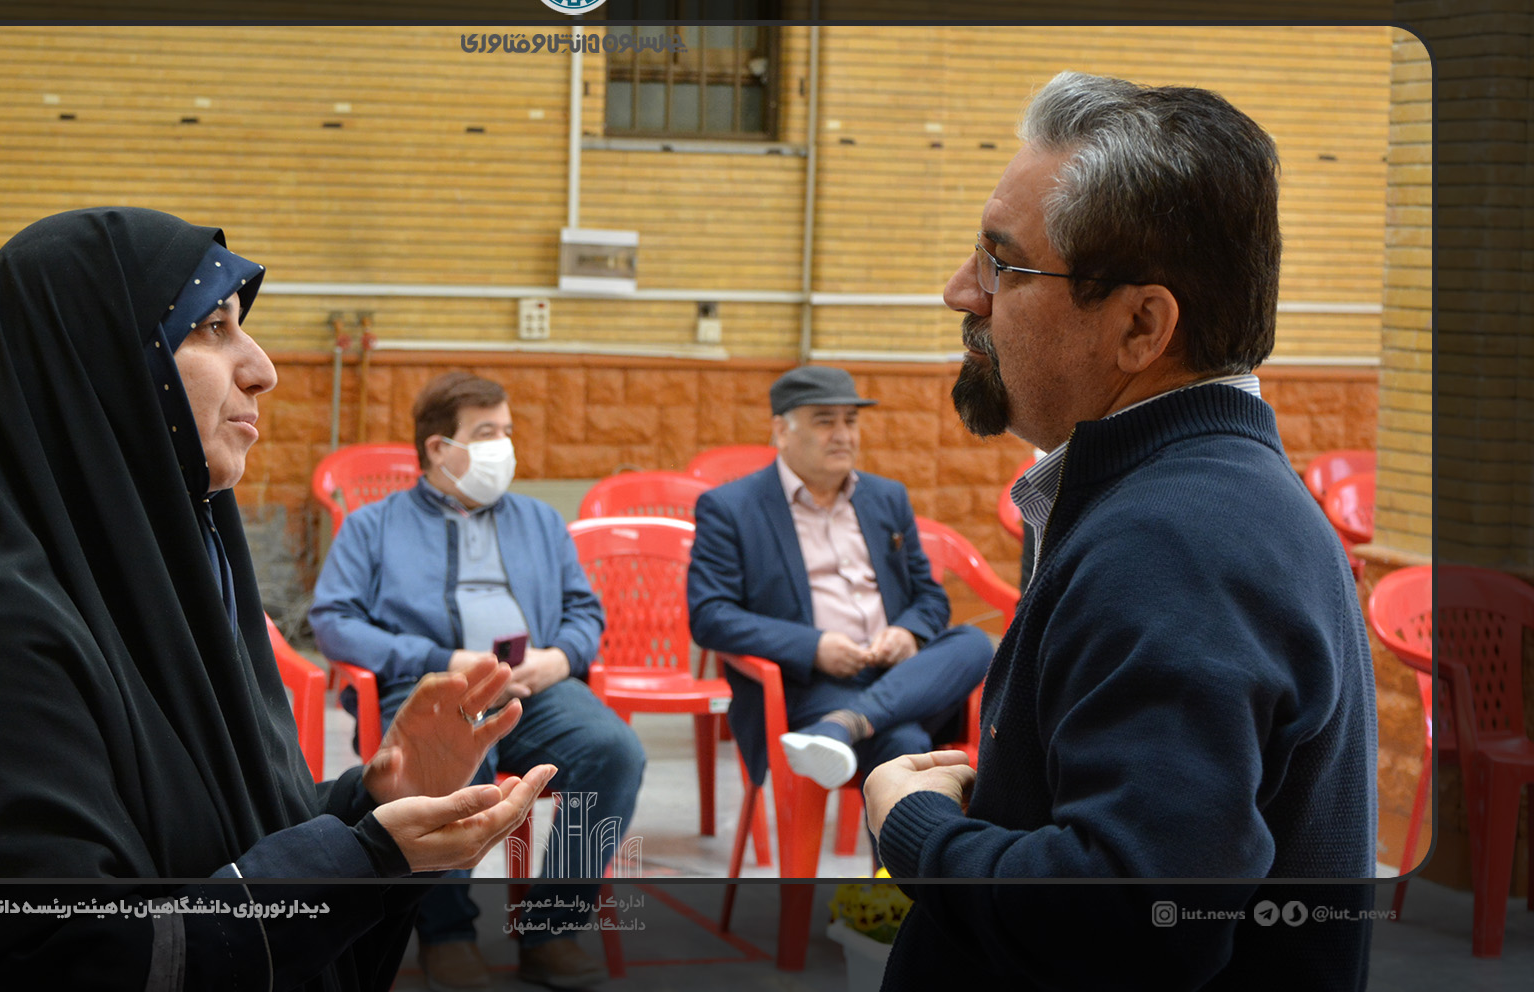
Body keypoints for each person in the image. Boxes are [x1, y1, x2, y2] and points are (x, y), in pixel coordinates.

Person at [0, 207, 556, 991]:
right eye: (213, 328)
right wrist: (362, 859)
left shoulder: (164, 588)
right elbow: (70, 959)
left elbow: (214, 830)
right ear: (100, 370)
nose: (262, 369)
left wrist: (376, 799)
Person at [863, 71, 1378, 988]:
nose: (961, 292)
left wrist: (916, 828)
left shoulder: (1179, 545)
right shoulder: (1182, 501)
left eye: (1003, 265)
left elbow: (1128, 925)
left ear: (1142, 326)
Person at [311, 372, 647, 991]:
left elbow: (585, 611)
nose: (504, 447)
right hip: (431, 689)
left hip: (534, 688)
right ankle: (447, 934)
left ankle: (552, 927)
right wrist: (441, 657)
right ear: (439, 448)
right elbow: (334, 622)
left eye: (507, 431)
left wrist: (560, 658)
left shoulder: (540, 521)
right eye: (487, 433)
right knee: (453, 764)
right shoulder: (373, 526)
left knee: (614, 749)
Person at [687, 366, 993, 796]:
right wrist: (813, 648)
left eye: (850, 420)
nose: (843, 435)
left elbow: (930, 597)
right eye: (824, 421)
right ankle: (848, 725)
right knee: (902, 744)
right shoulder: (731, 508)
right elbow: (710, 616)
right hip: (809, 686)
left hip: (903, 673)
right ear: (782, 430)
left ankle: (842, 726)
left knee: (975, 643)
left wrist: (907, 633)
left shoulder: (886, 497)